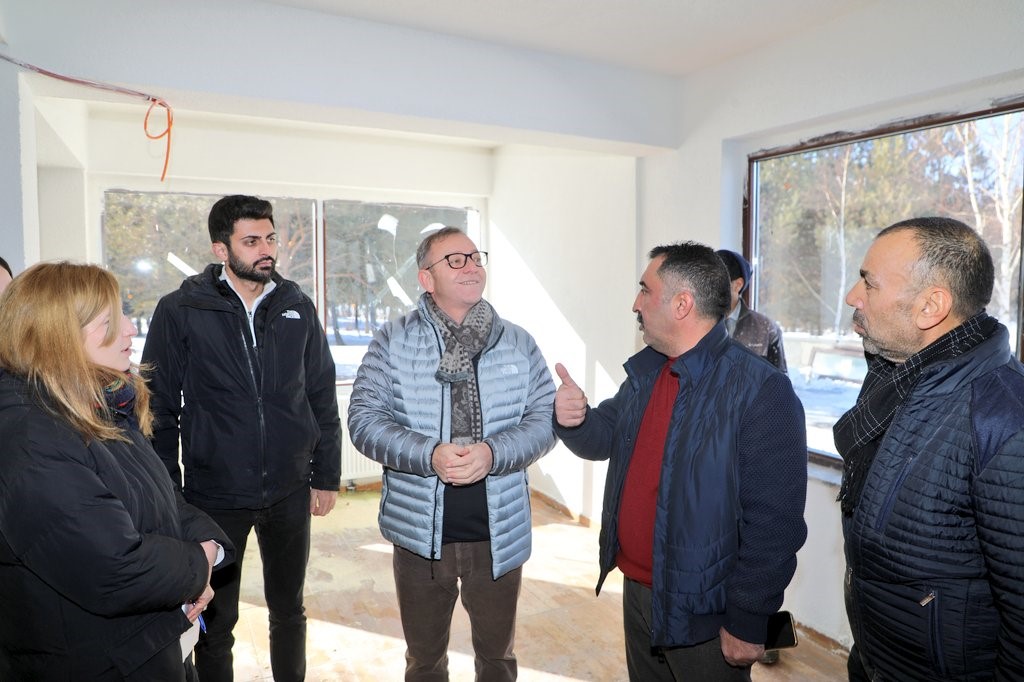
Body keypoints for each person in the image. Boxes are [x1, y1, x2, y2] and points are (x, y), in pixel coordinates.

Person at [554, 241, 807, 681]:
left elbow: (775, 524)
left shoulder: (761, 391)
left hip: (705, 609)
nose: (636, 303)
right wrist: (573, 418)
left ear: (682, 304)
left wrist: (747, 619)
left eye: (645, 290)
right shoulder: (648, 371)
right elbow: (603, 437)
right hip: (639, 592)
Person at [0, 262, 233, 681]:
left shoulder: (98, 404)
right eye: (110, 321)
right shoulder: (31, 438)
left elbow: (163, 497)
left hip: (151, 642)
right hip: (100, 663)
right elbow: (115, 570)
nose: (129, 329)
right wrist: (197, 565)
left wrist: (210, 546)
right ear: (59, 337)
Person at [142, 195, 342, 682]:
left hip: (289, 490)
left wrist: (326, 474)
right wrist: (169, 494)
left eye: (269, 238)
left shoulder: (296, 305)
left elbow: (320, 393)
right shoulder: (181, 309)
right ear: (221, 249)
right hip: (215, 496)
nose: (266, 249)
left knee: (289, 610)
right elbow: (159, 408)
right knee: (216, 621)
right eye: (251, 241)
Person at [348, 226, 556, 681]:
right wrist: (429, 454)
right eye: (455, 260)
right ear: (427, 278)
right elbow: (363, 421)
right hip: (419, 536)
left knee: (498, 660)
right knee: (424, 661)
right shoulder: (394, 341)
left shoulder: (518, 342)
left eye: (476, 257)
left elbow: (544, 420)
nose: (471, 267)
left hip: (498, 536)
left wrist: (494, 453)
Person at [836, 217, 1024, 680]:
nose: (853, 296)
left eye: (869, 283)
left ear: (931, 307)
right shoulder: (896, 378)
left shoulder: (1003, 418)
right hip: (877, 661)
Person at [715, 249, 787, 371]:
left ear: (738, 285)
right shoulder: (694, 323)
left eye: (716, 281)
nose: (709, 288)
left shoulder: (766, 329)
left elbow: (780, 379)